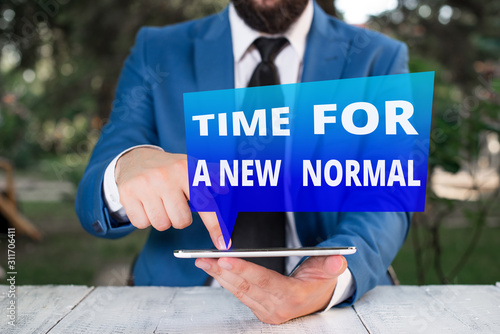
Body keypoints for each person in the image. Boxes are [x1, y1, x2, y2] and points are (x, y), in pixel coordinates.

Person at [76, 0, 410, 325]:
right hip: (178, 304)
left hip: (325, 308)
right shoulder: (158, 48)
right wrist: (127, 166)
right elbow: (96, 191)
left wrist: (329, 277)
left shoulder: (378, 56)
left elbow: (387, 194)